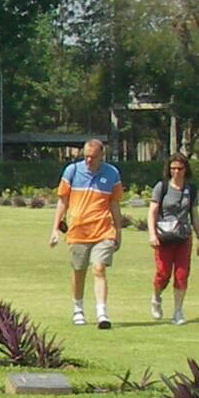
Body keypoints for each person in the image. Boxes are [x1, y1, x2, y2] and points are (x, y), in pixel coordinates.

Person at [49, 137, 124, 328]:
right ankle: (78, 308)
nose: (89, 160)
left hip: (103, 230)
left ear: (101, 156)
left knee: (99, 268)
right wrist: (55, 229)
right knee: (79, 270)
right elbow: (62, 201)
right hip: (78, 231)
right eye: (86, 156)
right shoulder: (72, 171)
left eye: (93, 157)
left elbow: (114, 204)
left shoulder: (112, 174)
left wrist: (118, 231)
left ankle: (102, 313)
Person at [146, 154, 199, 325]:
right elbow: (152, 211)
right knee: (163, 273)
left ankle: (178, 310)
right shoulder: (161, 187)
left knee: (182, 274)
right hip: (164, 235)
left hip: (183, 236)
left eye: (180, 168)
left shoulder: (190, 189)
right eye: (173, 169)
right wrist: (152, 234)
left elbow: (194, 214)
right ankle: (156, 298)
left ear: (186, 170)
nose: (176, 172)